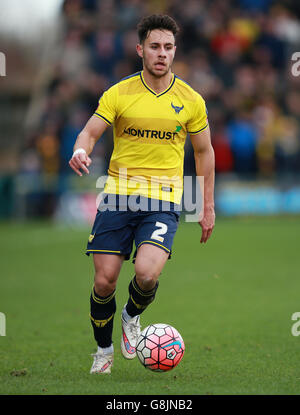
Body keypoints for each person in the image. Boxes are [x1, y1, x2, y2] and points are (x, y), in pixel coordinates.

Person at [69, 14, 215, 374]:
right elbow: (90, 132)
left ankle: (131, 315)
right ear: (141, 50)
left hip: (164, 199)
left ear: (175, 51)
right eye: (154, 47)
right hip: (119, 195)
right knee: (104, 282)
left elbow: (204, 152)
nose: (161, 53)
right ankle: (103, 352)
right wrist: (80, 150)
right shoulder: (119, 93)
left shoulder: (191, 100)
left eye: (167, 47)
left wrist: (207, 205)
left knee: (148, 274)